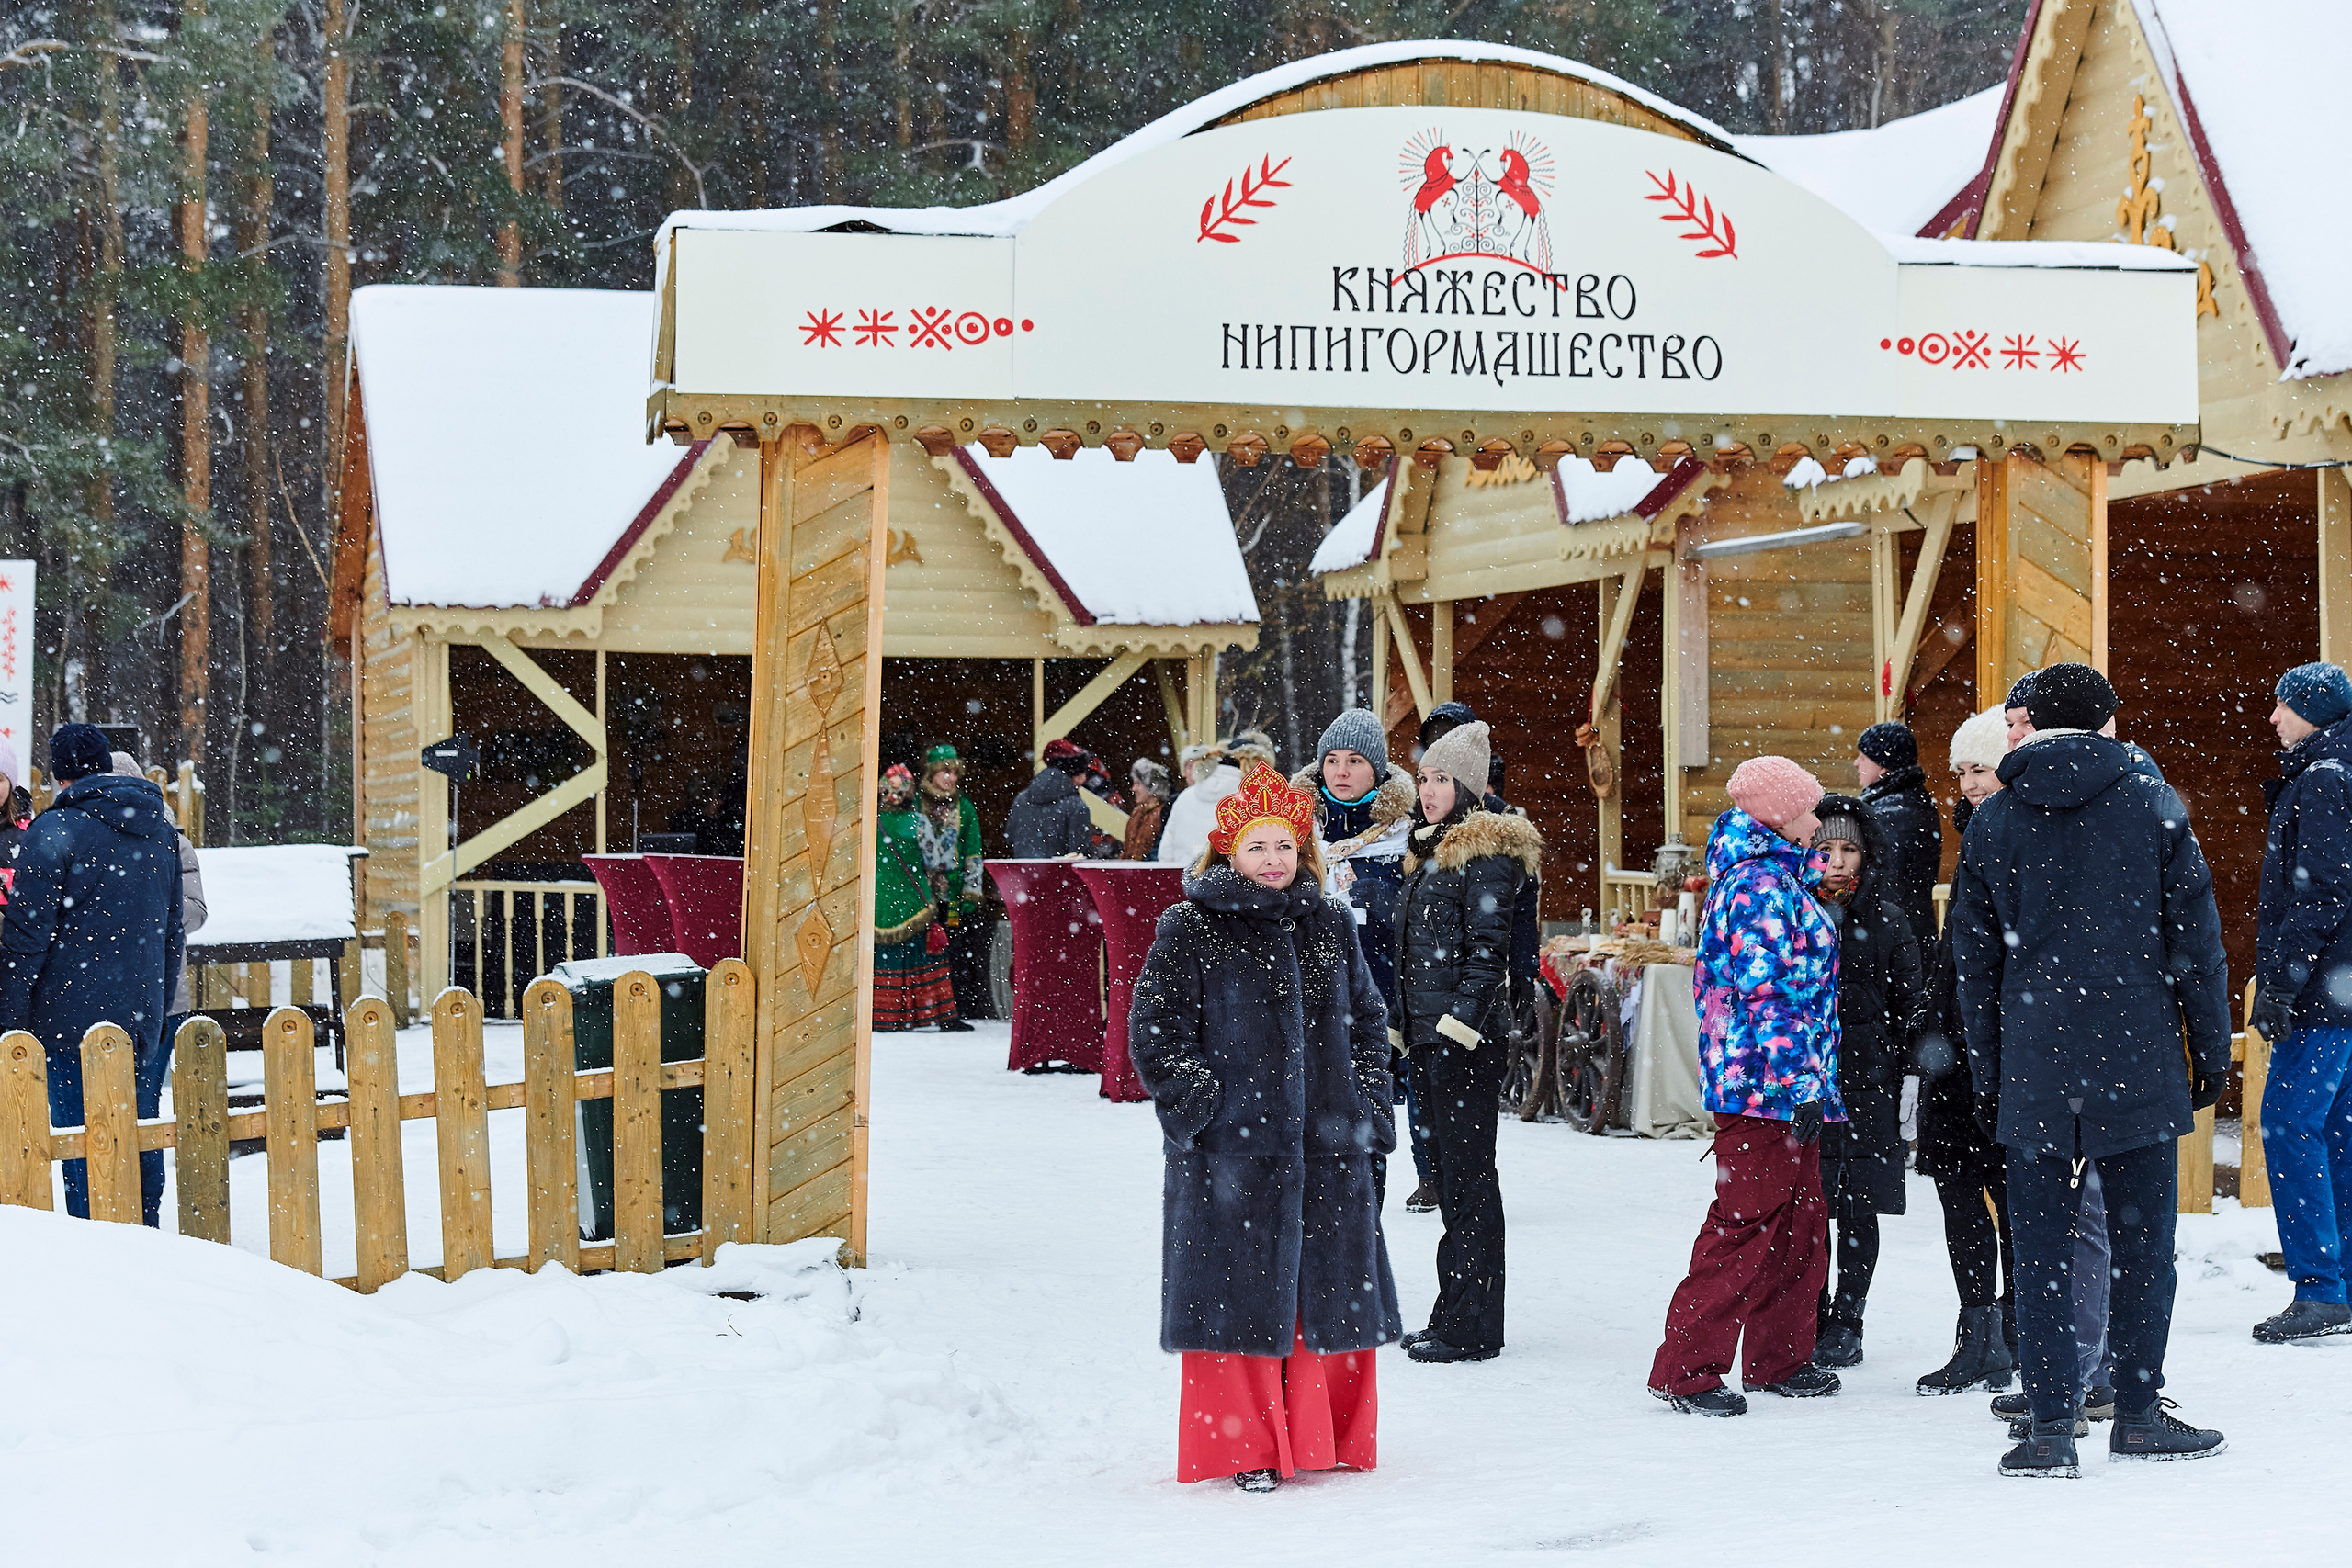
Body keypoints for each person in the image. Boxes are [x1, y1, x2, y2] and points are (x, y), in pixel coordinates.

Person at [1954, 662, 2232, 1475]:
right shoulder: (2151, 802)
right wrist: (2209, 1051)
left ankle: (2048, 1429)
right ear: (2106, 719)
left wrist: (1989, 1070)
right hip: (2136, 1053)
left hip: (2038, 1059)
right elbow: (2199, 944)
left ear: (2033, 723)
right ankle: (2138, 1414)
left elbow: (1971, 963)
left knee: (2039, 1250)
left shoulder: (1996, 819)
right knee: (2144, 1248)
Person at [1129, 762, 1400, 1492]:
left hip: (1328, 1151)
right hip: (1231, 1156)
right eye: (1258, 846)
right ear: (1227, 853)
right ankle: (1244, 1446)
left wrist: (1368, 1104)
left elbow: (1371, 1021)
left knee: (1321, 1299)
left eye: (1286, 844)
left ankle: (1319, 1435)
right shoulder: (1189, 925)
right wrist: (1203, 1108)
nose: (1274, 858)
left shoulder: (1331, 923)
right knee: (1236, 1301)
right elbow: (1155, 1030)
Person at [1649, 755, 1840, 1416]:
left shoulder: (1780, 878)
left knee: (1798, 1224)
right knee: (1744, 1224)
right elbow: (1771, 999)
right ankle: (1687, 1368)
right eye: (1811, 809)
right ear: (1780, 815)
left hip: (1787, 1086)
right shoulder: (1759, 887)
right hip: (1764, 1090)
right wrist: (1802, 1084)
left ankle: (1779, 1356)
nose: (1820, 823)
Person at [1394, 719, 1542, 1364]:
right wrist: (1407, 1027)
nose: (1428, 790)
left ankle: (1472, 1323)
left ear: (1470, 786)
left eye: (1441, 779)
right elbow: (1415, 953)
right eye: (1424, 778)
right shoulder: (1434, 849)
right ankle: (1456, 1309)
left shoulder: (1485, 854)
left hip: (1464, 1046)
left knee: (1469, 1180)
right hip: (1432, 1040)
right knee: (1454, 1178)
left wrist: (1456, 1030)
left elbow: (1488, 957)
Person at [0, 724, 184, 1220]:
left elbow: (25, 939)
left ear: (58, 774)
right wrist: (157, 1006)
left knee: (82, 1148)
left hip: (64, 1020)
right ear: (106, 764)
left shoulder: (55, 832)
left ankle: (99, 1249)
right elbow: (172, 934)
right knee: (137, 1131)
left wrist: (10, 1022)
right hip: (139, 1015)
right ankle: (147, 1229)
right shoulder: (161, 831)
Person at [1913, 705, 2019, 1396]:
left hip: (2000, 1045)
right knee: (1959, 1194)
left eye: (1979, 768)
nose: (1968, 783)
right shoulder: (1978, 832)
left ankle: (2011, 1332)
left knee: (2012, 1200)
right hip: (1957, 1046)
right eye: (1960, 772)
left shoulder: (2020, 837)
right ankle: (1980, 1333)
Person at [2249, 660, 2352, 1342]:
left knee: (2288, 1123)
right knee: (2336, 1134)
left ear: (2312, 709)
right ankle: (2338, 1278)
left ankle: (2319, 1286)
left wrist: (2282, 981)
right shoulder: (2335, 770)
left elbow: (2320, 893)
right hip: (2343, 990)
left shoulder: (2321, 779)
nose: (2274, 718)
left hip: (2323, 992)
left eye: (2284, 705)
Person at [1807, 795, 1926, 1370]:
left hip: (1867, 1081)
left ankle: (1848, 1317)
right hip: (1805, 1081)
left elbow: (1909, 1004)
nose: (1835, 860)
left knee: (1857, 1204)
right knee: (1808, 1204)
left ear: (1865, 856)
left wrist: (1909, 1075)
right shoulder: (1794, 911)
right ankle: (1812, 1308)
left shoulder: (1887, 917)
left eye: (1847, 849)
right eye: (1823, 847)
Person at [1295, 708, 1429, 1209]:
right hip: (1309, 992)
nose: (1341, 772)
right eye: (1331, 760)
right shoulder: (1293, 836)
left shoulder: (1406, 837)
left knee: (1380, 1093)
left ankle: (1398, 1183)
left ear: (1377, 770)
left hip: (1383, 991)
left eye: (1354, 761)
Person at [112, 752, 209, 1224]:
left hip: (163, 999)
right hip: (109, 998)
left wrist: (150, 911)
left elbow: (195, 910)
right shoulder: (93, 846)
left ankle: (145, 1217)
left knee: (144, 1112)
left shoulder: (172, 842)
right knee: (109, 1113)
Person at [872, 764, 958, 1032]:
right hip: (913, 901)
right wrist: (949, 831)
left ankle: (882, 1013)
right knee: (921, 958)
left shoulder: (870, 823)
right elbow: (937, 862)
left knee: (882, 959)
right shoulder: (918, 823)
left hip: (879, 901)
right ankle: (927, 1012)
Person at [1855, 721, 1942, 964]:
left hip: (1893, 936)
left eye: (1862, 757)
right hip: (1910, 930)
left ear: (1883, 765)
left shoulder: (1892, 812)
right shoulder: (1905, 802)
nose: (1856, 763)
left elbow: (1889, 884)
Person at [912, 744, 983, 1031]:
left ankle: (955, 1009)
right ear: (932, 773)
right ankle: (923, 1008)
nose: (951, 778)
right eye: (945, 771)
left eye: (954, 772)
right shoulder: (916, 805)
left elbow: (973, 850)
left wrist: (971, 889)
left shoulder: (964, 807)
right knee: (921, 949)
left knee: (955, 948)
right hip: (920, 894)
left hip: (952, 896)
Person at [1158, 733, 1276, 867]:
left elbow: (1165, 850)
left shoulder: (1185, 796)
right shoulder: (1254, 799)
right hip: (1228, 883)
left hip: (1183, 878)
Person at [1006, 739, 1096, 859]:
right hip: (1060, 875)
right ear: (1075, 773)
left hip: (1023, 875)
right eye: (1084, 772)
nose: (1085, 778)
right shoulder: (1077, 806)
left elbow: (1010, 839)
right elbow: (1079, 853)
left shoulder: (1021, 799)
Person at [1121, 758, 1172, 861]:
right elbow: (1126, 849)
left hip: (1150, 873)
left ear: (1152, 786)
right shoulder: (1136, 813)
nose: (1133, 789)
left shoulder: (1163, 814)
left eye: (1138, 784)